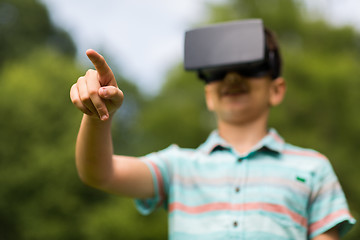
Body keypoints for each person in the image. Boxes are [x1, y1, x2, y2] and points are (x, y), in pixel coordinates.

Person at [70, 19, 355, 239]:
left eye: (249, 65)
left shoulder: (313, 169)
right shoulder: (178, 166)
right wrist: (97, 116)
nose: (232, 78)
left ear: (276, 89)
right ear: (207, 94)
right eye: (218, 71)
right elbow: (99, 173)